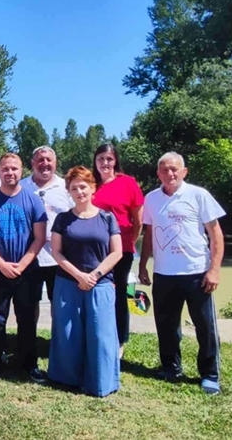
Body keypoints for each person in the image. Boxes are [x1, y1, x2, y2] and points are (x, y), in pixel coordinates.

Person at [139, 152, 225, 395]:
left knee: (204, 326)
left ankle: (209, 374)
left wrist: (214, 270)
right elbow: (148, 234)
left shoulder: (199, 195)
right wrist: (144, 264)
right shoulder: (152, 199)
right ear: (158, 174)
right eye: (165, 170)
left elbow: (216, 234)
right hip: (164, 274)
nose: (170, 174)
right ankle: (171, 368)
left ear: (184, 172)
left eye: (175, 169)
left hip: (196, 272)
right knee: (166, 325)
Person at [48, 166, 123, 397]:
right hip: (67, 283)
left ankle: (101, 382)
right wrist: (79, 275)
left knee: (101, 335)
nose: (79, 191)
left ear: (93, 188)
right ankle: (67, 379)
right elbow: (56, 252)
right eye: (74, 188)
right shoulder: (62, 219)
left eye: (83, 186)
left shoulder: (108, 218)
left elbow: (116, 252)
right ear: (68, 191)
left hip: (99, 284)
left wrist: (95, 275)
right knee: (68, 333)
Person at [0, 153, 47, 383]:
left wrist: (22, 264)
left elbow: (40, 237)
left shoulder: (34, 200)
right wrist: (1, 264)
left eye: (14, 168)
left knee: (26, 318)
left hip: (27, 270)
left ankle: (29, 364)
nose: (10, 173)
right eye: (5, 169)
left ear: (22, 170)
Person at [91, 143, 144, 358]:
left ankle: (120, 340)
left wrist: (128, 242)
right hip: (94, 249)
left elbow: (138, 220)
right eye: (101, 158)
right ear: (95, 161)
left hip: (121, 249)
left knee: (119, 293)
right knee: (97, 291)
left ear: (115, 161)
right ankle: (98, 334)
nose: (105, 163)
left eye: (109, 159)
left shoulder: (127, 183)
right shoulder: (90, 183)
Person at [20, 146, 73, 323]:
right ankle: (28, 344)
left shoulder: (67, 187)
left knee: (59, 304)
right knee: (28, 304)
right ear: (32, 163)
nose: (45, 164)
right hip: (29, 256)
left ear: (55, 163)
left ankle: (58, 344)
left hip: (59, 257)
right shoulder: (21, 187)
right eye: (40, 160)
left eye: (49, 160)